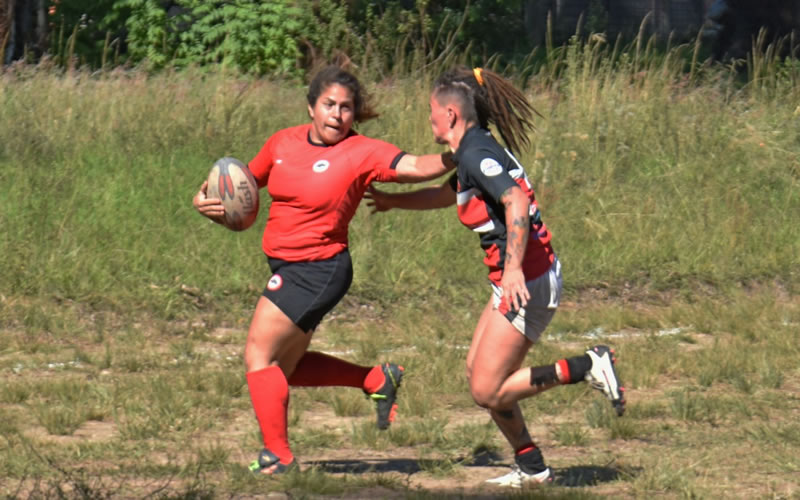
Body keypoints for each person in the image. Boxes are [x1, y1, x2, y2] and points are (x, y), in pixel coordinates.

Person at [365, 66, 626, 488]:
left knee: (487, 390)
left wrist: (514, 270)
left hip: (528, 280)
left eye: (431, 109)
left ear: (451, 114)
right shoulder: (473, 150)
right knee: (478, 373)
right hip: (518, 277)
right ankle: (532, 467)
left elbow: (516, 201)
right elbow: (448, 194)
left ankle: (587, 366)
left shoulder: (475, 153)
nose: (428, 117)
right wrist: (394, 202)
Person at [193, 65, 454, 475]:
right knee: (287, 368)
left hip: (317, 269)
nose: (337, 114)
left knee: (259, 357)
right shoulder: (282, 143)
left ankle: (278, 457)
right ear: (311, 106)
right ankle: (375, 379)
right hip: (288, 265)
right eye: (329, 104)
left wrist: (462, 151)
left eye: (346, 107)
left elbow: (417, 166)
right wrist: (207, 199)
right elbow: (242, 183)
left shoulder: (362, 151)